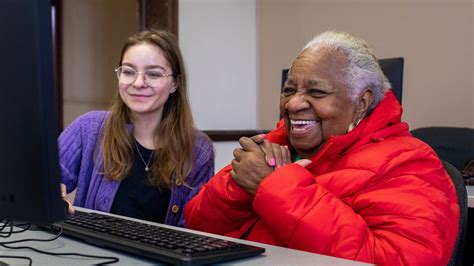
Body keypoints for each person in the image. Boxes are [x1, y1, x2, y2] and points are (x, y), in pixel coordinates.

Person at [185, 31, 459, 264]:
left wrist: (274, 187)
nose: (292, 105)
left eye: (316, 92)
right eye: (289, 90)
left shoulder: (409, 163)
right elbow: (197, 229)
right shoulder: (273, 145)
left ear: (361, 103)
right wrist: (239, 184)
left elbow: (396, 259)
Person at [59, 29, 214, 227]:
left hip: (160, 258)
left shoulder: (199, 150)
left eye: (154, 74)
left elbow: (195, 226)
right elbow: (42, 179)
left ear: (175, 83)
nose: (138, 83)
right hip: (92, 256)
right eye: (128, 71)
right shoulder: (89, 128)